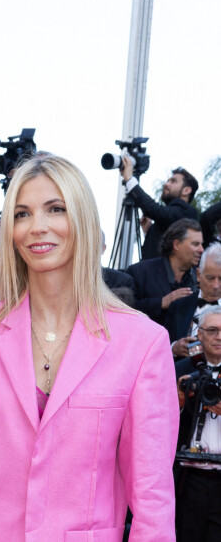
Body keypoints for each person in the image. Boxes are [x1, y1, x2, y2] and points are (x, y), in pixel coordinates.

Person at [0, 155, 178, 541]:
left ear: (81, 218)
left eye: (55, 209)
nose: (37, 227)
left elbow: (152, 500)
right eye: (22, 214)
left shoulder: (142, 344)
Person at [175, 306, 221, 541]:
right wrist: (179, 401)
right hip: (188, 477)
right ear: (199, 334)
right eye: (212, 330)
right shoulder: (181, 371)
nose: (220, 337)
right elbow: (158, 423)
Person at [126, 218, 203, 336]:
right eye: (195, 244)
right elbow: (126, 311)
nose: (201, 250)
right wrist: (162, 302)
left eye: (201, 244)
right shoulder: (140, 272)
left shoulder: (201, 278)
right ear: (176, 244)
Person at [119, 161, 199, 259]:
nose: (166, 184)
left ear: (186, 190)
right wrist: (148, 231)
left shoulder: (186, 211)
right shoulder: (171, 216)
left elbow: (153, 209)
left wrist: (130, 180)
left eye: (173, 181)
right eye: (168, 181)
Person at [167, 242, 221, 358]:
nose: (216, 285)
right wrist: (174, 348)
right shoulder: (178, 306)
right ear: (198, 275)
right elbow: (160, 347)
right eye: (210, 278)